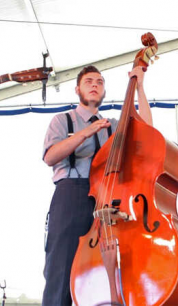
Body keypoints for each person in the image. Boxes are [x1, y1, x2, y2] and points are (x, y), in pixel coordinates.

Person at [41, 65, 152, 306]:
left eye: (99, 82)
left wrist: (140, 86)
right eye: (89, 81)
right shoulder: (63, 120)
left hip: (106, 199)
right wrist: (86, 132)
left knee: (103, 274)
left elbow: (147, 129)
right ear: (77, 89)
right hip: (71, 194)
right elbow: (50, 157)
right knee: (60, 271)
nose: (94, 85)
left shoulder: (112, 124)